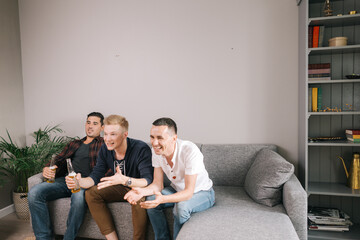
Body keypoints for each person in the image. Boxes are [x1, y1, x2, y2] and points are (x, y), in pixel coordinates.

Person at [125, 117, 215, 240]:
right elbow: (157, 185)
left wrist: (162, 199)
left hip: (202, 193)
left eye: (160, 138)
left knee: (181, 207)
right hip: (177, 189)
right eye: (152, 137)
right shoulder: (156, 151)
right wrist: (141, 191)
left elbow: (188, 193)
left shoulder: (189, 150)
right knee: (152, 199)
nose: (154, 143)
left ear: (174, 138)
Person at [66, 114, 153, 240]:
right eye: (105, 134)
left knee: (137, 199)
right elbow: (95, 176)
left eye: (113, 134)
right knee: (91, 193)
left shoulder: (140, 148)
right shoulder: (105, 149)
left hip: (139, 187)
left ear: (124, 135)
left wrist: (124, 180)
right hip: (121, 187)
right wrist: (80, 182)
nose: (107, 139)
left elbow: (147, 180)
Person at [28, 112, 105, 240]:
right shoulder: (74, 144)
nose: (90, 126)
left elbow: (106, 168)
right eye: (88, 122)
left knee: (78, 198)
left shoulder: (104, 144)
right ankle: (44, 238)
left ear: (102, 127)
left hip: (85, 183)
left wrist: (84, 182)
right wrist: (47, 168)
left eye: (95, 123)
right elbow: (58, 159)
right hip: (65, 181)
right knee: (34, 193)